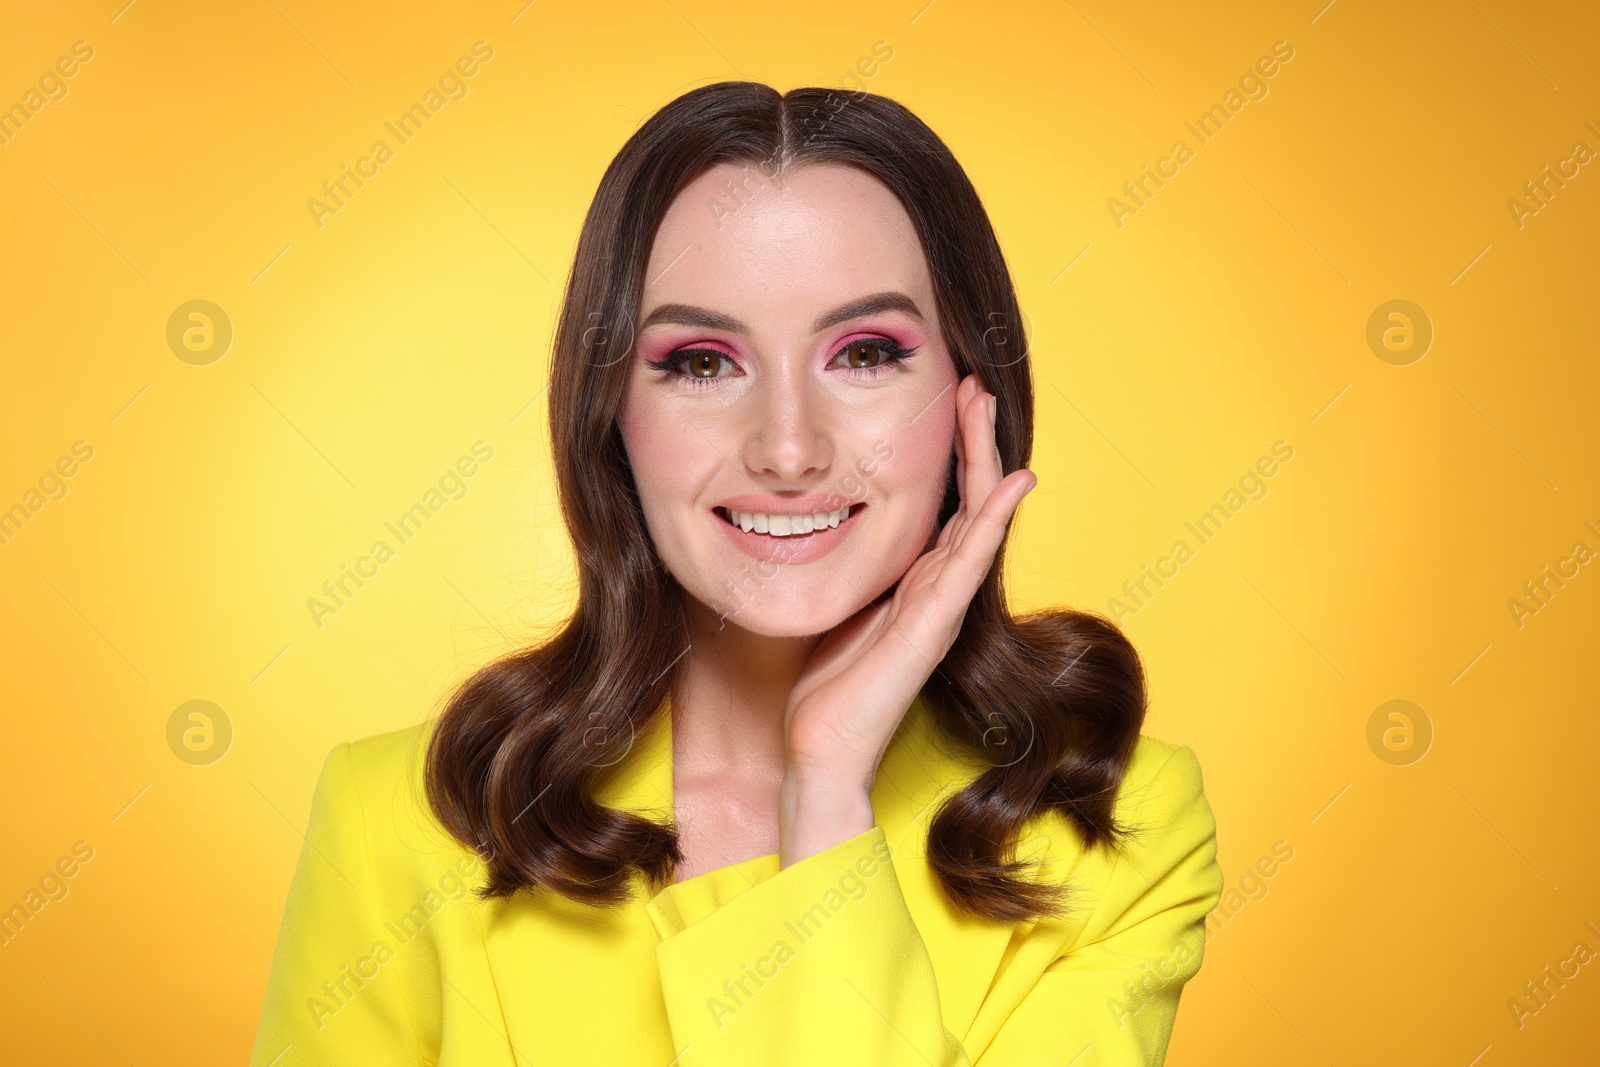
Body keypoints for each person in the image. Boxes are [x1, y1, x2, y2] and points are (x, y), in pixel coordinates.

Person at [249, 80, 1223, 1066]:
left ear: (972, 397)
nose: (789, 449)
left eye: (866, 351)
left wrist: (829, 781)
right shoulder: (398, 822)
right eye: (703, 363)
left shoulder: (1125, 831)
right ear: (611, 413)